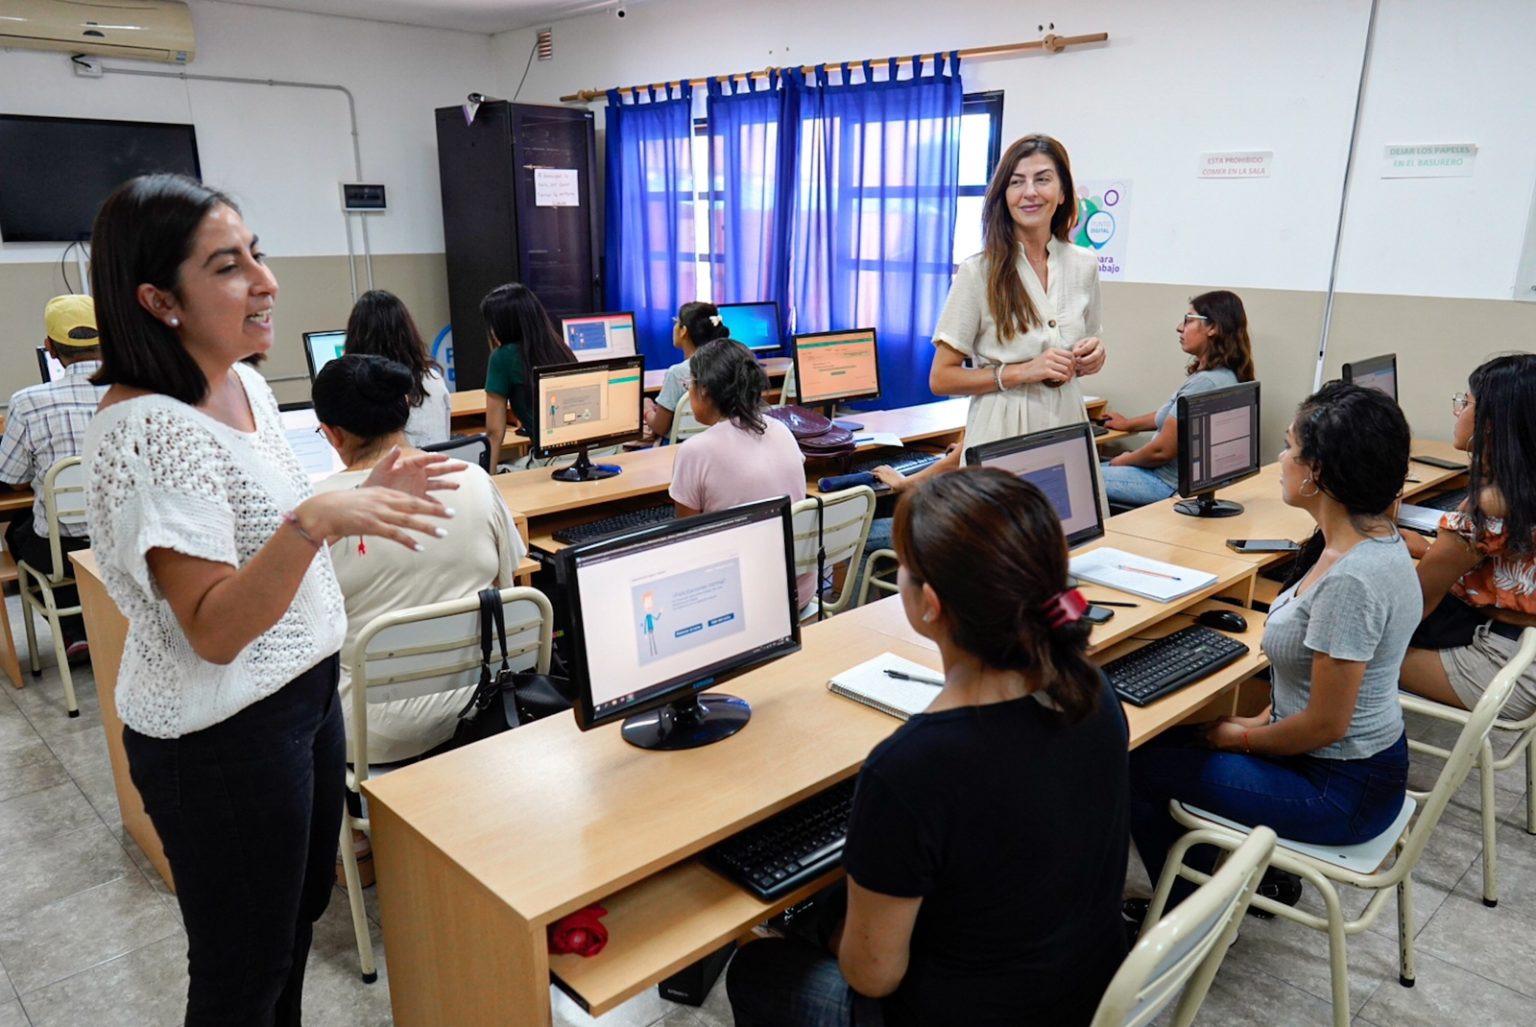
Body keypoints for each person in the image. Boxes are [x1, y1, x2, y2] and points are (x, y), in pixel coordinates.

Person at [81, 173, 454, 1027]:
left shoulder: (243, 382)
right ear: (157, 300)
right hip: (221, 736)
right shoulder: (151, 428)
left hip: (303, 697)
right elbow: (214, 629)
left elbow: (259, 518)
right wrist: (315, 521)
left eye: (257, 254)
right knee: (242, 974)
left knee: (291, 928)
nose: (265, 281)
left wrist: (352, 492)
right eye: (227, 266)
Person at [727, 469, 1130, 1026]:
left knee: (757, 968)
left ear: (929, 603)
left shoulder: (913, 767)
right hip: (1083, 991)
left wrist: (831, 929)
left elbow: (873, 977)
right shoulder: (1091, 690)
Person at [1127, 383, 1417, 920]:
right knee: (1181, 737)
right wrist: (1253, 723)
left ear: (1316, 473)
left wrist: (1240, 738)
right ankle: (1226, 884)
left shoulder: (1353, 579)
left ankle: (1191, 920)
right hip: (1342, 765)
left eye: (1288, 446)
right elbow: (1307, 692)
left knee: (1136, 766)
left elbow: (1326, 724)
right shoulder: (1364, 540)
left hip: (1339, 789)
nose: (1280, 458)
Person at [312, 353, 526, 763]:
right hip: (483, 704)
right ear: (403, 412)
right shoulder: (474, 479)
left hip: (372, 730)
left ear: (334, 434)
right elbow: (508, 586)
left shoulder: (316, 510)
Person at [929, 134, 1106, 451]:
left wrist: (1093, 357)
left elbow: (1086, 341)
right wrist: (1023, 372)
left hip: (1067, 425)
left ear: (1063, 193)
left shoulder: (1084, 264)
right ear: (1004, 195)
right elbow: (941, 378)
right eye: (1016, 182)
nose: (1030, 192)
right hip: (1001, 433)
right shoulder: (978, 271)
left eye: (1043, 179)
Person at [1399, 353, 1536, 722]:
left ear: (1490, 424)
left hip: (1500, 667)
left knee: (1327, 654)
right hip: (1523, 652)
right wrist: (1435, 551)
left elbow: (1413, 607)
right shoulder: (1523, 490)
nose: (1457, 410)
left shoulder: (1489, 505)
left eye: (1466, 402)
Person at [669, 338, 815, 610]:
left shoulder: (695, 451)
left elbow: (687, 540)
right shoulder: (782, 430)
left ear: (705, 391)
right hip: (800, 593)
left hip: (742, 603)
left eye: (690, 384)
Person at [0, 294, 109, 658]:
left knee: (20, 530)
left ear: (49, 347)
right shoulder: (138, 391)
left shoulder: (27, 402)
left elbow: (14, 479)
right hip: (134, 541)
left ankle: (74, 630)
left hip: (64, 551)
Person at [1099, 290, 1256, 508]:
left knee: (1074, 479)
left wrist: (1123, 459)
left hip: (1165, 483)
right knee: (1092, 468)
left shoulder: (1205, 383)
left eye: (1188, 320)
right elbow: (1173, 416)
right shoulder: (1224, 376)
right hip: (1178, 480)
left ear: (1213, 327)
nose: (1179, 327)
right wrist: (1128, 424)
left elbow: (1161, 451)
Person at [480, 282, 577, 469]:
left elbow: (494, 432)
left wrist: (488, 480)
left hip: (556, 459)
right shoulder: (558, 346)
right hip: (595, 452)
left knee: (502, 470)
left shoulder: (502, 356)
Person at [343, 289, 451, 448]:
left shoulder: (357, 394)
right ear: (408, 333)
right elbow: (445, 438)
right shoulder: (433, 380)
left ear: (355, 340)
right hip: (435, 463)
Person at [644, 300, 730, 440]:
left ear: (683, 331)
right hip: (715, 441)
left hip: (679, 446)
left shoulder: (677, 373)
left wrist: (647, 408)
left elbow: (660, 427)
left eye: (676, 322)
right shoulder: (727, 365)